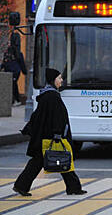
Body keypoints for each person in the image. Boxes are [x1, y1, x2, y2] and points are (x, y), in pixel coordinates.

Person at [13, 68, 87, 196]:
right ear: (53, 80)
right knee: (63, 159)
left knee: (43, 162)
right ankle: (73, 188)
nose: (61, 80)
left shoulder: (47, 95)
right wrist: (58, 134)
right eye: (59, 78)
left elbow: (37, 116)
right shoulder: (52, 96)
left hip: (46, 136)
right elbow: (57, 117)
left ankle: (21, 186)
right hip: (52, 136)